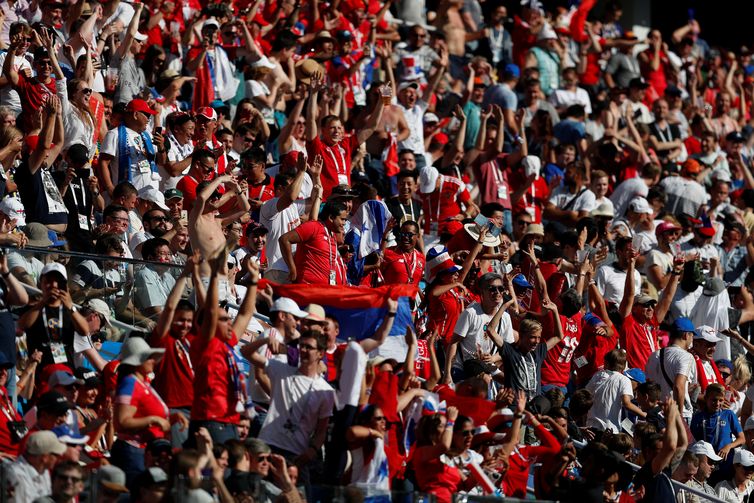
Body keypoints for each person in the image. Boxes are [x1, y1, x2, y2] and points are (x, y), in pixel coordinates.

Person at [5, 431, 66, 503]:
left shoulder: (43, 469)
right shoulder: (16, 476)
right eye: (56, 455)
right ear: (45, 457)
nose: (59, 458)